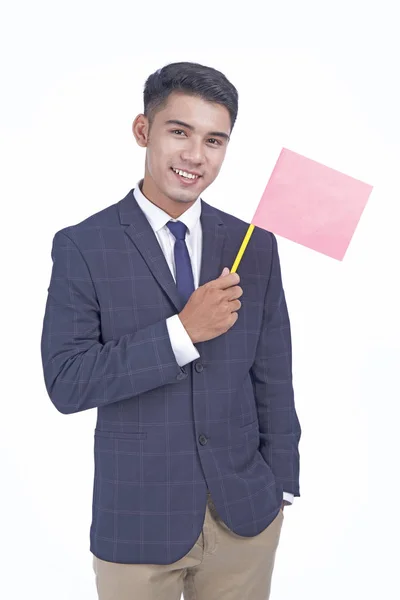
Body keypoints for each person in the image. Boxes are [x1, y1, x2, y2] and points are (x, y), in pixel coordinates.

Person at [41, 61, 301, 600]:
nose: (195, 156)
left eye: (214, 140)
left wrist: (280, 485)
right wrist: (180, 333)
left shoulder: (254, 245)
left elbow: (273, 375)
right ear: (143, 131)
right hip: (137, 524)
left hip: (245, 520)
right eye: (179, 132)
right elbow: (67, 382)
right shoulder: (84, 246)